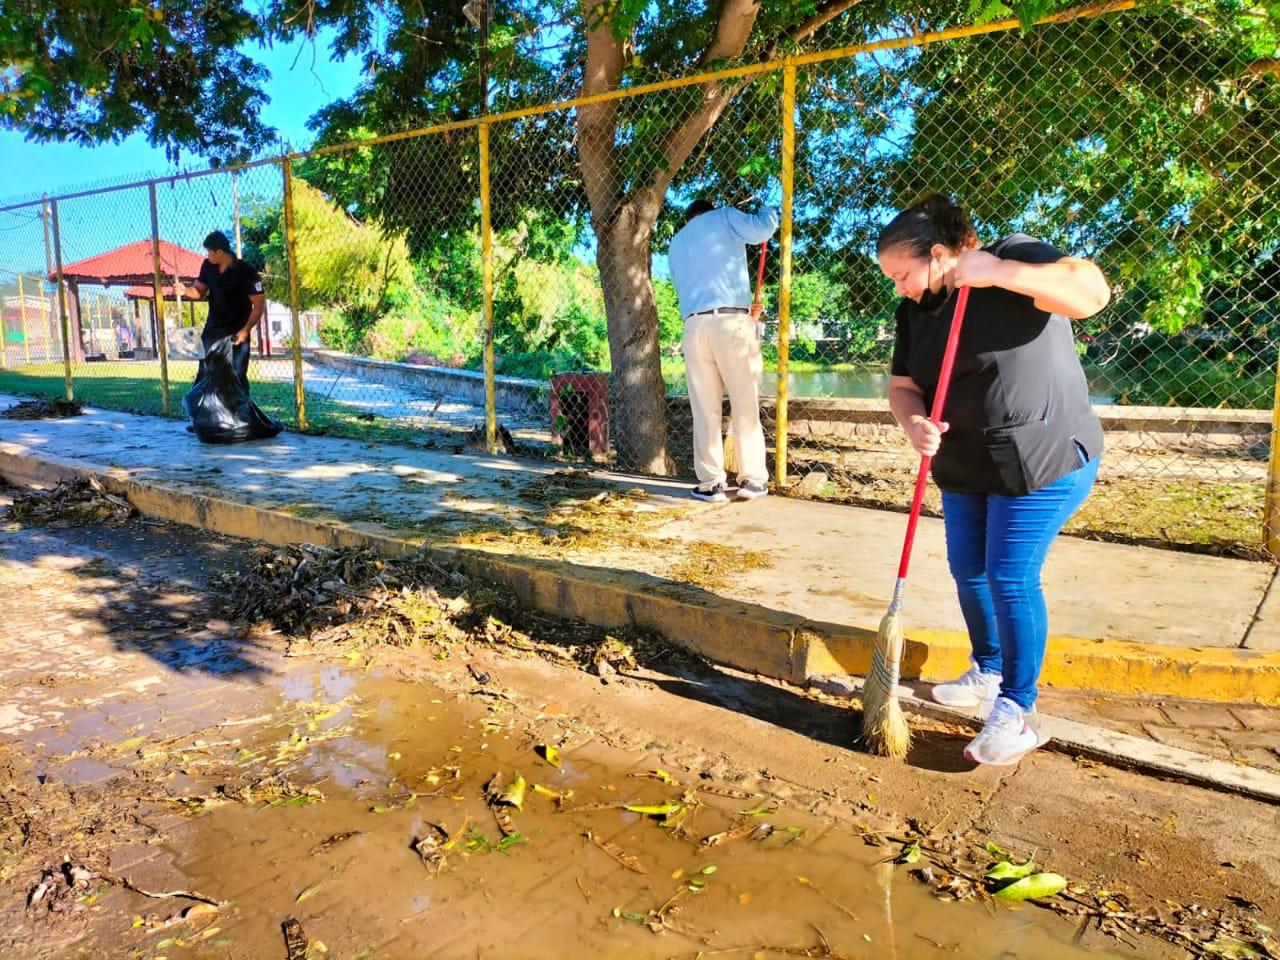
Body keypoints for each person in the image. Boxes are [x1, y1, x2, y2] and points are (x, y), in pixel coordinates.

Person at [877, 193, 1111, 766]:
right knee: (969, 570)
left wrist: (1001, 272)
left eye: (903, 274)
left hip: (1041, 457)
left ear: (938, 254)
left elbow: (1091, 293)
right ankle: (989, 667)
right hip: (965, 463)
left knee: (1010, 574)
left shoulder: (1012, 257)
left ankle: (1019, 710)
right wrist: (913, 424)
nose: (899, 288)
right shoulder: (916, 312)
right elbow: (903, 387)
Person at [668, 199, 778, 503]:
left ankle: (711, 483)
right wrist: (768, 209)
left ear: (689, 219)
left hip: (694, 326)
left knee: (704, 409)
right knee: (744, 404)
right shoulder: (725, 216)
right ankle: (752, 480)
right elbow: (762, 230)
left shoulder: (676, 243)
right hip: (731, 323)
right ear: (709, 211)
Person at [182, 231, 264, 391]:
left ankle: (238, 413)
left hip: (237, 331)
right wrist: (185, 291)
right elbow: (199, 292)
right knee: (205, 372)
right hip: (213, 329)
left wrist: (245, 330)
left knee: (236, 376)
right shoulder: (208, 266)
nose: (208, 256)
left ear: (219, 252)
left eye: (209, 252)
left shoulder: (246, 271)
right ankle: (204, 414)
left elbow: (259, 304)